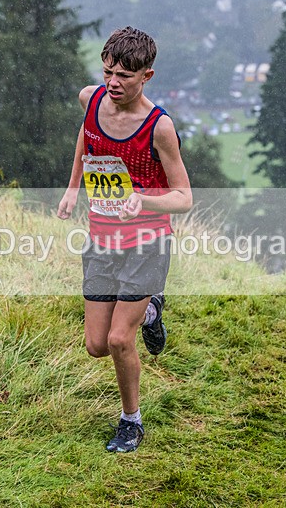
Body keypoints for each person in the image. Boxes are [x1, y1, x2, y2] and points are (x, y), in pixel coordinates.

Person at [57, 26, 193, 453]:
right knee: (96, 345)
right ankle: (151, 312)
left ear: (147, 76)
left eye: (124, 77)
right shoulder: (91, 98)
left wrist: (143, 202)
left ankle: (131, 421)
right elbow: (87, 135)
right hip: (101, 238)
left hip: (146, 241)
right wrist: (73, 186)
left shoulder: (159, 127)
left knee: (119, 339)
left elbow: (185, 197)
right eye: (108, 72)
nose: (113, 83)